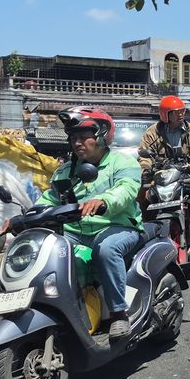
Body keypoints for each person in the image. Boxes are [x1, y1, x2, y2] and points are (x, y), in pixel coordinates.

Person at [36, 107, 143, 340]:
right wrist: (25, 215)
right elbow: (49, 198)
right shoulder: (65, 171)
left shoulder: (123, 162)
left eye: (84, 137)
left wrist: (104, 200)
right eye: (73, 138)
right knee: (45, 249)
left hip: (117, 226)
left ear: (102, 137)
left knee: (106, 250)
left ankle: (118, 314)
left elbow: (126, 189)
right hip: (75, 230)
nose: (77, 143)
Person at [139, 95, 190, 251]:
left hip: (189, 172)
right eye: (176, 112)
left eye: (182, 111)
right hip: (161, 175)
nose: (181, 114)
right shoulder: (152, 132)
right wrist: (144, 168)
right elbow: (144, 154)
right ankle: (145, 231)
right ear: (165, 114)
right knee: (142, 196)